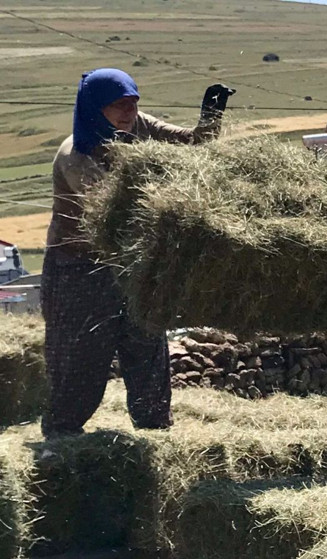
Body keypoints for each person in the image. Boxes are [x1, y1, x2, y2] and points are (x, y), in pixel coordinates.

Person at [41, 67, 235, 438]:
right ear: (95, 108)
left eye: (133, 103)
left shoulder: (137, 125)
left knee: (146, 346)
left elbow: (193, 144)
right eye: (118, 105)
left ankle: (154, 429)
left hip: (131, 265)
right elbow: (115, 213)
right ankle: (62, 435)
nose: (128, 112)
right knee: (82, 356)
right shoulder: (76, 155)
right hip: (80, 268)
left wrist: (212, 114)